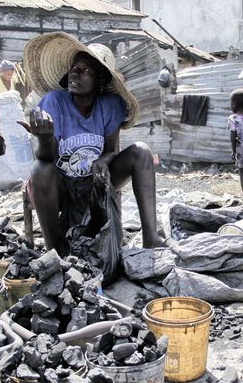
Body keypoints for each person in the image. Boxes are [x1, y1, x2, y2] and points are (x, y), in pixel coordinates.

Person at [20, 32, 165, 255]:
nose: (75, 74)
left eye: (86, 71)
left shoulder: (111, 105)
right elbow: (45, 158)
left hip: (95, 181)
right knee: (40, 169)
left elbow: (110, 150)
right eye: (74, 68)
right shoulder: (53, 102)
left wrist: (102, 161)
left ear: (101, 81)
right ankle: (54, 250)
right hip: (61, 187)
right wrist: (44, 137)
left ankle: (151, 237)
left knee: (142, 151)